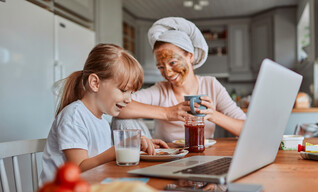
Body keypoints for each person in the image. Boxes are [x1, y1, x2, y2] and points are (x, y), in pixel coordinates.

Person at [41, 44, 168, 183]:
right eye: (123, 90)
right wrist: (118, 150)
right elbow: (78, 169)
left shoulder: (102, 121)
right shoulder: (73, 116)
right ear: (95, 83)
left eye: (132, 93)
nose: (129, 99)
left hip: (91, 190)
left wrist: (138, 145)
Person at [113, 17, 246, 142]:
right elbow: (118, 105)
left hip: (203, 155)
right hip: (166, 158)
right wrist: (167, 113)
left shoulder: (211, 85)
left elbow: (245, 128)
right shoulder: (161, 90)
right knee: (120, 120)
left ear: (190, 56)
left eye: (172, 63)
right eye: (160, 67)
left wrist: (212, 115)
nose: (167, 73)